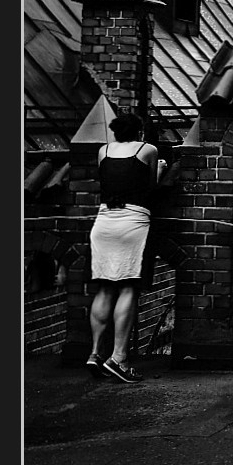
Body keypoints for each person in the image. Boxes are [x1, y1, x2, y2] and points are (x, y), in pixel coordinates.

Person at [87, 112, 164, 385]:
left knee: (105, 287)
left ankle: (95, 353)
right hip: (133, 222)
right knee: (128, 287)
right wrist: (161, 170)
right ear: (140, 132)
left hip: (103, 222)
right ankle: (118, 358)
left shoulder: (103, 151)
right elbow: (150, 186)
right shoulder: (148, 150)